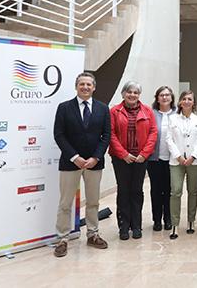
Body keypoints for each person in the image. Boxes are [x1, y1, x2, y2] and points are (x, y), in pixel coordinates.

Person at [52, 72, 111, 257]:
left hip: (94, 162)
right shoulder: (64, 108)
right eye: (82, 84)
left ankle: (93, 234)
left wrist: (96, 157)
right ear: (76, 86)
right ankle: (62, 238)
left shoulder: (103, 108)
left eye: (88, 84)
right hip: (70, 163)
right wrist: (74, 156)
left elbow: (106, 136)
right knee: (65, 203)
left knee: (93, 201)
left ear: (94, 87)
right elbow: (59, 135)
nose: (85, 87)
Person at [109, 81, 158, 240]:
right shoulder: (114, 111)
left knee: (137, 191)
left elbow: (153, 133)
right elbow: (111, 134)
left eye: (136, 92)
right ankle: (124, 226)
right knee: (123, 191)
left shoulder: (147, 111)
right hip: (120, 158)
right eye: (129, 92)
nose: (132, 95)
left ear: (139, 95)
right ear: (123, 94)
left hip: (140, 159)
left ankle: (136, 225)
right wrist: (123, 154)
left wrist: (144, 154)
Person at [165, 90, 197, 239]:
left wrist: (193, 156)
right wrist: (178, 156)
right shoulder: (173, 118)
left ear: (194, 102)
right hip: (176, 161)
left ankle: (191, 221)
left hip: (195, 160)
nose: (187, 101)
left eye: (190, 99)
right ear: (180, 102)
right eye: (184, 99)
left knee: (192, 191)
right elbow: (169, 139)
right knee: (175, 191)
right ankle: (175, 223)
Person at [147, 86, 176, 232]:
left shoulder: (178, 114)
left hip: (173, 160)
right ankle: (157, 220)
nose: (164, 97)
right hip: (154, 159)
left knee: (169, 190)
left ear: (172, 98)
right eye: (161, 95)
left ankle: (168, 219)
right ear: (157, 98)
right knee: (156, 190)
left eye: (167, 95)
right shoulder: (151, 114)